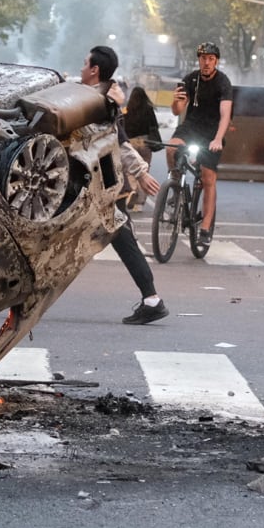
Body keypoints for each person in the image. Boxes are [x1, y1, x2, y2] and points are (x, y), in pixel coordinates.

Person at [83, 46, 168, 325]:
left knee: (124, 241)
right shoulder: (95, 97)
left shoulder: (102, 103)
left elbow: (121, 142)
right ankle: (151, 299)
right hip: (97, 187)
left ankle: (152, 299)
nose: (83, 69)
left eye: (86, 64)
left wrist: (141, 172)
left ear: (95, 70)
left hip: (106, 187)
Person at [169, 42, 233, 251]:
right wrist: (175, 101)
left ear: (216, 61)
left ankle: (205, 229)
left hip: (212, 132)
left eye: (211, 58)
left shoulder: (223, 82)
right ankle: (175, 185)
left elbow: (225, 115)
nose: (206, 62)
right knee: (171, 147)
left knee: (208, 178)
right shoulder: (191, 79)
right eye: (203, 58)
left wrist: (217, 139)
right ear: (198, 60)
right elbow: (177, 112)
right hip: (191, 127)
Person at [122, 86, 163, 160]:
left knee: (132, 167)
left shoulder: (127, 109)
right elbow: (155, 125)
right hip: (145, 141)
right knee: (145, 167)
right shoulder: (148, 109)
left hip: (131, 142)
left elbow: (124, 126)